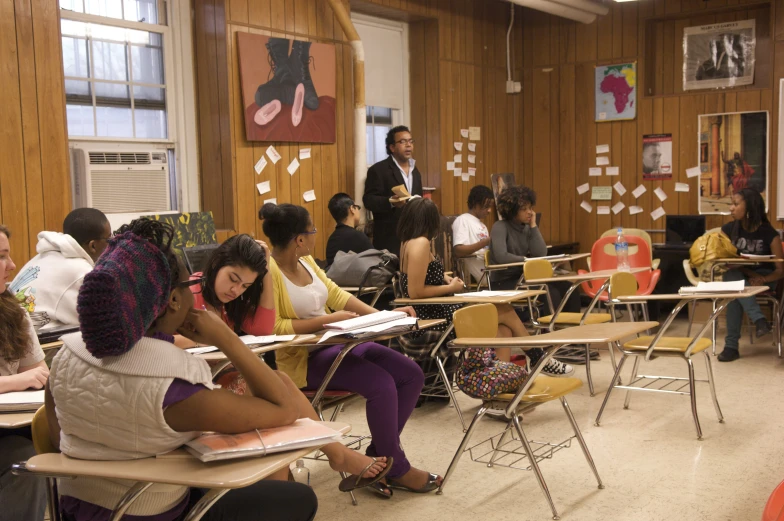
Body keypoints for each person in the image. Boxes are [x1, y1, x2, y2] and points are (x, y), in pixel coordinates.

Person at [45, 219, 386, 521]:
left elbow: (58, 440)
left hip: (77, 506)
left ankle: (337, 456)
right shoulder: (172, 386)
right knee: (296, 499)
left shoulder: (63, 358)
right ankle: (337, 457)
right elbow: (283, 408)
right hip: (147, 508)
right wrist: (225, 338)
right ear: (175, 301)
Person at [260, 202, 443, 496]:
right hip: (303, 358)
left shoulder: (307, 262)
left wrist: (381, 316)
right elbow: (274, 326)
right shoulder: (269, 272)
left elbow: (336, 294)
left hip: (337, 343)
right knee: (381, 384)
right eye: (313, 230)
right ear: (300, 239)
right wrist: (327, 320)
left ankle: (379, 456)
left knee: (411, 374)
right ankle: (396, 469)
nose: (317, 235)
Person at [398, 198, 573, 378]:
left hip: (435, 309)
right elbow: (415, 292)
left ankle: (502, 386)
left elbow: (421, 275)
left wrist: (444, 278)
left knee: (503, 331)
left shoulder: (408, 243)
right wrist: (453, 287)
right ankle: (539, 358)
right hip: (432, 315)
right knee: (502, 308)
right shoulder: (421, 243)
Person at [0, 224, 48, 521]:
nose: (13, 266)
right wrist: (14, 381)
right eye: (2, 257)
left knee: (30, 459)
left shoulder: (12, 310)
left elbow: (38, 371)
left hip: (11, 430)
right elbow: (26, 377)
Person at [9, 208, 111, 328]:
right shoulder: (82, 273)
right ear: (92, 245)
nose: (112, 243)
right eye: (109, 239)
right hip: (25, 341)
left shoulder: (41, 257)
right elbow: (99, 322)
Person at [489, 186, 581, 314]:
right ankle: (550, 329)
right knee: (550, 292)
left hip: (524, 278)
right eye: (524, 209)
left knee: (570, 288)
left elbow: (540, 253)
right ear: (512, 210)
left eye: (530, 208)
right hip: (504, 282)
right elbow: (501, 256)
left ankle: (571, 327)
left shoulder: (526, 228)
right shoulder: (500, 226)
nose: (530, 212)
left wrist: (533, 226)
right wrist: (527, 260)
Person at [718, 189, 784, 362]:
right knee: (733, 279)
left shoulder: (770, 234)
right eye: (731, 204)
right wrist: (746, 272)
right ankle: (759, 320)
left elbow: (780, 270)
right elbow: (724, 260)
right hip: (741, 275)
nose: (731, 208)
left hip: (764, 279)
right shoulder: (728, 229)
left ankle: (731, 347)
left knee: (734, 291)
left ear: (750, 207)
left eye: (736, 204)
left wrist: (762, 279)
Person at [363, 126, 423, 255]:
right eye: (403, 141)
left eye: (410, 141)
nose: (408, 145)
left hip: (414, 235)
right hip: (389, 238)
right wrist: (390, 202)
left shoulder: (415, 171)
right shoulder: (378, 170)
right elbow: (369, 200)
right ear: (392, 147)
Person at [452, 185, 494, 285]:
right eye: (486, 207)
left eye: (490, 207)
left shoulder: (482, 225)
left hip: (489, 267)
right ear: (476, 204)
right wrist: (484, 242)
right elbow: (458, 250)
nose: (489, 211)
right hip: (480, 273)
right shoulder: (463, 220)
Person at [325, 193, 373, 267]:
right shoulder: (358, 237)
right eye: (357, 207)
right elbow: (375, 261)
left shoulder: (332, 239)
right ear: (352, 209)